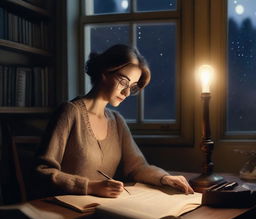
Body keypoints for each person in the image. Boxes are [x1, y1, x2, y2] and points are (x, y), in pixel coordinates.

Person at [33, 44, 193, 199]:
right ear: (105, 72)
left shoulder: (117, 121)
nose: (126, 92)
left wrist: (165, 178)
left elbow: (137, 167)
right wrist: (90, 187)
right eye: (124, 82)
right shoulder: (69, 112)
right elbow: (42, 171)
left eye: (133, 86)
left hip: (99, 210)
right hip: (63, 209)